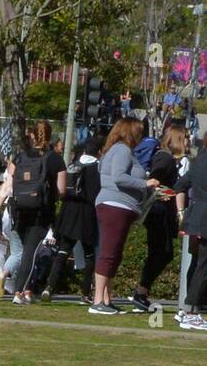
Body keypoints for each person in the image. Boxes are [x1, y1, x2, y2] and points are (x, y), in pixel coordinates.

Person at [91, 117, 157, 315]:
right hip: (115, 205)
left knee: (115, 255)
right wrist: (146, 183)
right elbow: (119, 177)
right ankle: (97, 301)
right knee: (108, 253)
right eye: (139, 131)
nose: (141, 136)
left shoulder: (120, 150)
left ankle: (106, 299)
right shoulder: (122, 150)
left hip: (121, 206)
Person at [0, 120, 65, 304]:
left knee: (24, 250)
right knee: (30, 251)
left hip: (20, 208)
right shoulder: (55, 159)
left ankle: (26, 289)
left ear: (32, 135)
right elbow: (61, 190)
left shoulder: (20, 157)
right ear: (50, 135)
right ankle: (19, 292)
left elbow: (9, 182)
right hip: (41, 211)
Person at [129, 121, 187, 312]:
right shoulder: (165, 159)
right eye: (184, 138)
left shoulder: (166, 158)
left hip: (161, 212)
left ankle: (142, 291)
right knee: (162, 252)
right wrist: (166, 194)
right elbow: (154, 181)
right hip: (159, 213)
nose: (187, 142)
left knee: (162, 252)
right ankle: (141, 291)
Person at [44, 137, 100, 302]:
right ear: (98, 152)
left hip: (68, 212)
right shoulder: (97, 169)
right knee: (90, 255)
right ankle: (85, 293)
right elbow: (95, 194)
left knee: (62, 252)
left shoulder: (73, 165)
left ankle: (49, 287)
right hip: (87, 214)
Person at [174, 137, 207, 329]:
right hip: (203, 218)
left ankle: (187, 309)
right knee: (203, 265)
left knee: (197, 263)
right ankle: (190, 311)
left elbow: (180, 185)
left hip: (195, 216)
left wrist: (181, 212)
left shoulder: (198, 159)